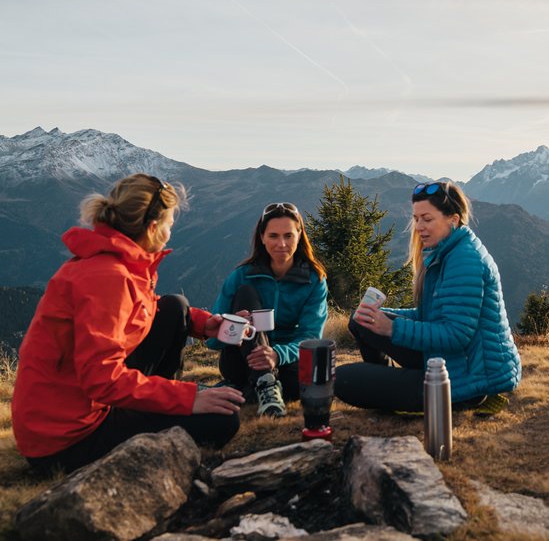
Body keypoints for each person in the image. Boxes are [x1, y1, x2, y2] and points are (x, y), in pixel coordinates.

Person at [11, 174, 243, 474]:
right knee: (224, 420)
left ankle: (161, 401)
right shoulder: (108, 276)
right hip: (68, 440)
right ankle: (165, 406)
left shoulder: (113, 261)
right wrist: (188, 400)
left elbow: (140, 308)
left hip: (67, 410)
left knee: (175, 308)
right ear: (153, 227)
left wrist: (201, 324)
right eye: (171, 223)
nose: (172, 229)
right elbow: (102, 379)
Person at [334, 181, 521, 413]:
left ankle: (404, 393)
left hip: (468, 377)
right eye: (416, 218)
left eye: (427, 219)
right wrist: (381, 317)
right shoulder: (446, 251)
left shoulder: (465, 260)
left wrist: (392, 328)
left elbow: (456, 335)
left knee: (341, 379)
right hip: (452, 360)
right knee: (361, 321)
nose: (419, 227)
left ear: (453, 219)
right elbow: (430, 316)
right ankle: (389, 385)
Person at [209, 202, 328, 418]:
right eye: (273, 236)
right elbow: (212, 340)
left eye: (288, 235)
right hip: (240, 359)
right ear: (262, 237)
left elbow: (311, 336)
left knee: (299, 384)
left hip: (285, 361)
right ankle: (265, 385)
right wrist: (232, 326)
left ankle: (247, 389)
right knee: (245, 293)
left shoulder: (314, 280)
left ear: (299, 236)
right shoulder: (241, 276)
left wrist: (276, 354)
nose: (281, 244)